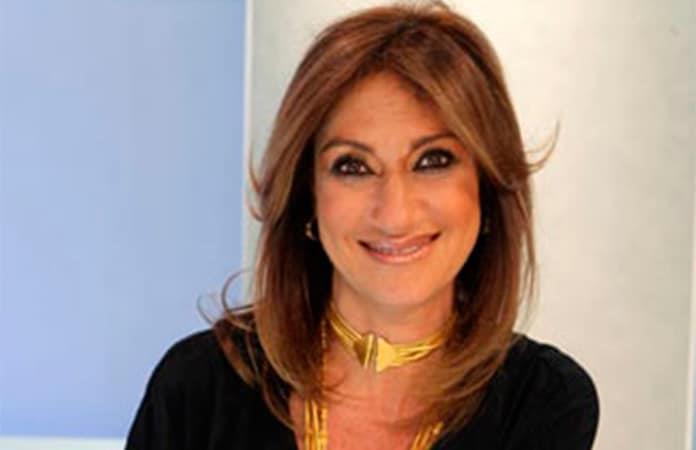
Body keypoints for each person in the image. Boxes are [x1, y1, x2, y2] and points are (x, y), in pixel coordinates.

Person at [126, 2, 599, 449]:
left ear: (488, 187)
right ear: (307, 195)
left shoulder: (543, 402)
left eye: (432, 161)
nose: (395, 214)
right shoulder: (197, 389)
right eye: (353, 167)